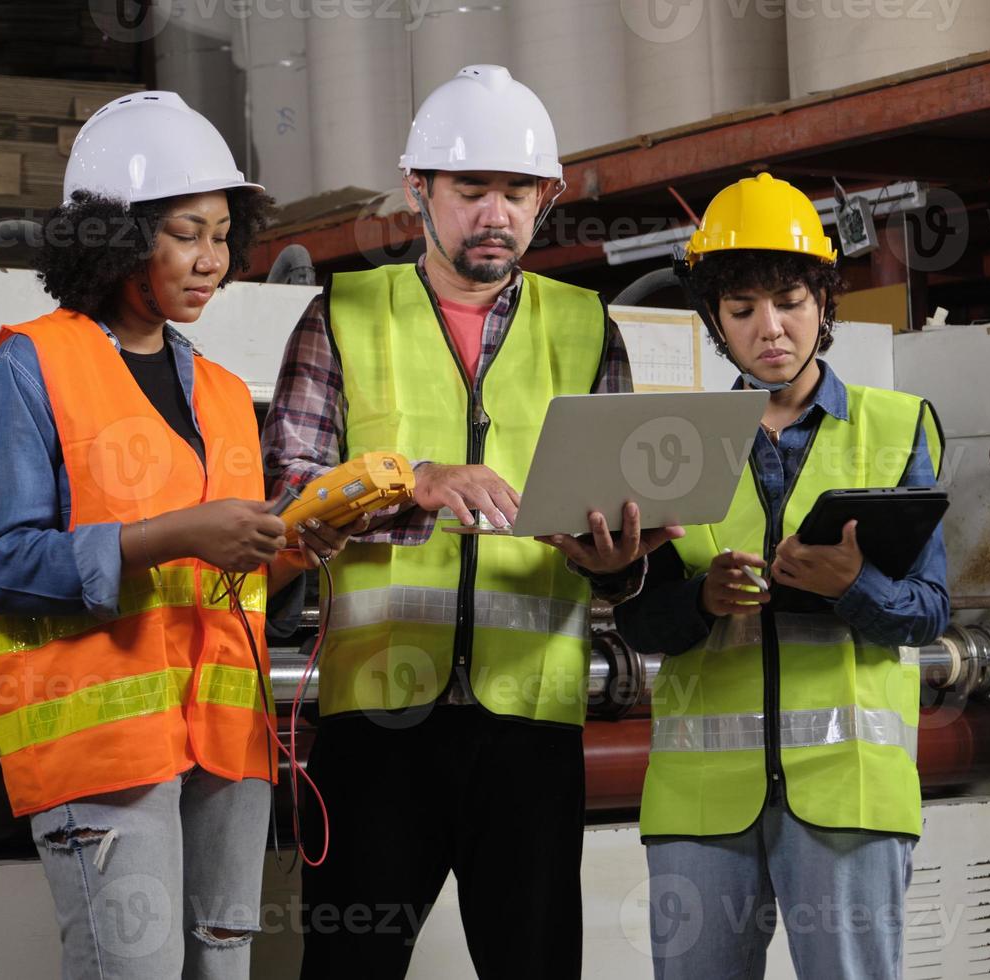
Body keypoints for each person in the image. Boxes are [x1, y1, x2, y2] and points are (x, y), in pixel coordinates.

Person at [262, 65, 679, 979]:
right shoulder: (343, 315)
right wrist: (410, 480)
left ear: (548, 199)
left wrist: (617, 561)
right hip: (377, 728)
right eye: (471, 189)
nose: (496, 212)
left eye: (517, 191)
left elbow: (616, 515)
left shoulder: (586, 327)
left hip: (529, 728)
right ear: (421, 192)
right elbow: (287, 499)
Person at [0, 91, 350, 979]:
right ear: (114, 239)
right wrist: (174, 533)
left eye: (222, 234)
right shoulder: (28, 366)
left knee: (221, 970)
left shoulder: (217, 389)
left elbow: (229, 586)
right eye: (186, 233)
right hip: (108, 751)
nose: (212, 260)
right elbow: (3, 567)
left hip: (226, 748)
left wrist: (295, 548)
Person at [613, 172, 950, 979]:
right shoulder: (674, 439)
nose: (771, 328)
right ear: (714, 322)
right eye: (743, 310)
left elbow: (929, 612)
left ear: (826, 303)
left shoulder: (896, 425)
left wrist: (850, 587)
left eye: (792, 300)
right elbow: (639, 622)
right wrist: (700, 597)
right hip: (702, 806)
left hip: (849, 798)